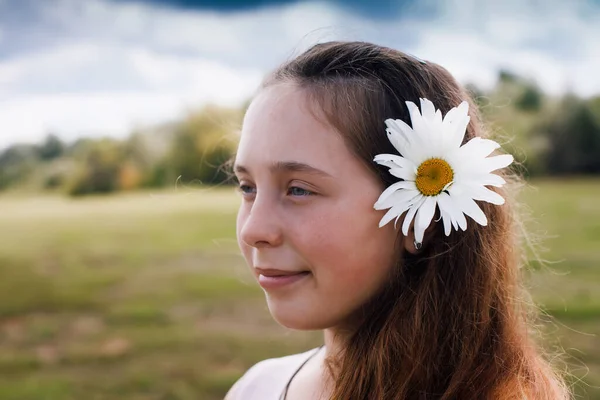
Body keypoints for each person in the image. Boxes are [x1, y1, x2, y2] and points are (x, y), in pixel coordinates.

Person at [225, 41, 569, 399]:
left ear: (425, 214)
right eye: (247, 187)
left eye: (298, 190)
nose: (253, 230)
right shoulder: (255, 388)